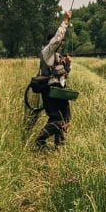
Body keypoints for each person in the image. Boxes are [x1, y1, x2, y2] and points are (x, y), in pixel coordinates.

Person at [34, 9, 73, 150]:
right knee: (56, 119)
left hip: (60, 92)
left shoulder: (57, 56)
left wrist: (67, 64)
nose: (60, 44)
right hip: (51, 92)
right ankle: (39, 141)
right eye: (59, 43)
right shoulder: (47, 51)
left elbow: (65, 73)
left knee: (66, 119)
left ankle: (59, 148)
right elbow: (57, 38)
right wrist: (66, 21)